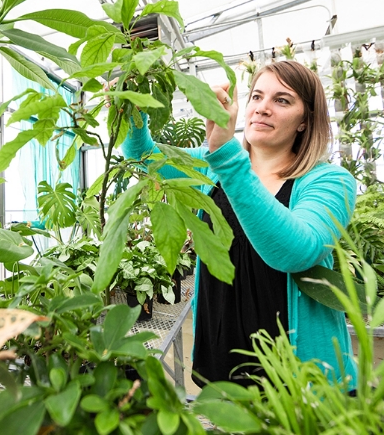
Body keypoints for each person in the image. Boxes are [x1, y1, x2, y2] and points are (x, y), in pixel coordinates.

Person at [121, 60, 358, 387]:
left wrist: (225, 154)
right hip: (224, 354)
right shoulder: (212, 166)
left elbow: (297, 251)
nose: (263, 108)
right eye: (257, 97)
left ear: (305, 121)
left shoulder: (329, 181)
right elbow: (142, 155)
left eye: (282, 100)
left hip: (300, 373)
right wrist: (131, 108)